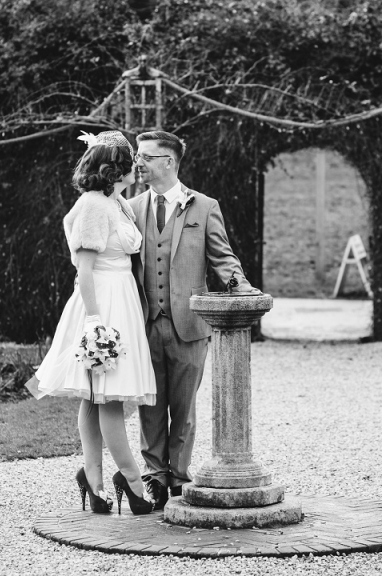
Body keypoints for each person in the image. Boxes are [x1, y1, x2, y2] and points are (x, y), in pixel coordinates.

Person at [127, 130, 260, 510]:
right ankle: (154, 476)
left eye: (147, 156)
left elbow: (223, 257)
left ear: (168, 162)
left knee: (183, 409)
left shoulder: (204, 206)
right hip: (145, 324)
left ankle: (179, 479)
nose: (139, 161)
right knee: (150, 405)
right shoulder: (131, 207)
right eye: (139, 155)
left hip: (190, 326)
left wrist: (241, 286)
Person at [28, 130, 157, 516]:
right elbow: (84, 269)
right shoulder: (92, 206)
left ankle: (94, 482)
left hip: (123, 298)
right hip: (101, 302)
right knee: (110, 396)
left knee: (95, 394)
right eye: (129, 159)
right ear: (113, 167)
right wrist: (96, 323)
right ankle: (134, 484)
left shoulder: (115, 202)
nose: (136, 165)